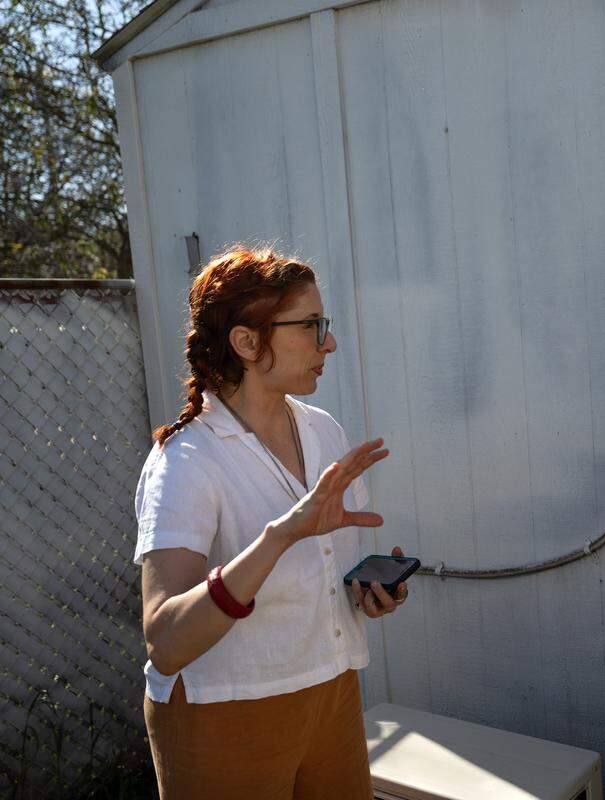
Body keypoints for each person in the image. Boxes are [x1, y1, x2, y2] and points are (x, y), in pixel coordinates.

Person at [134, 246, 403, 798]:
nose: (327, 342)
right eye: (310, 326)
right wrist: (280, 536)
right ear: (248, 341)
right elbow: (166, 640)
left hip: (331, 690)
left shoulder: (323, 431)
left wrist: (363, 592)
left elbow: (316, 576)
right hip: (225, 713)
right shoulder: (186, 461)